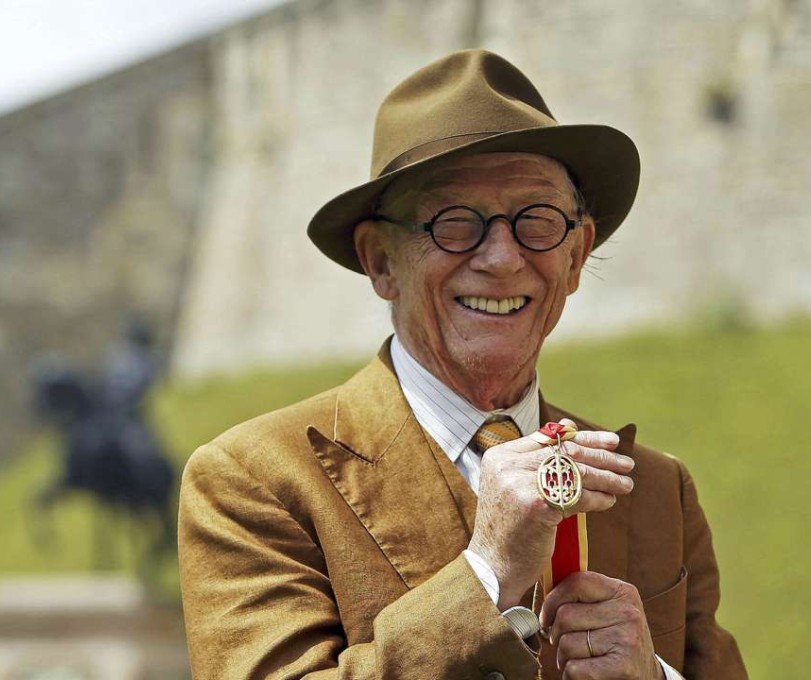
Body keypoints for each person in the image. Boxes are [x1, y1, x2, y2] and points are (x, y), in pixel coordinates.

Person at [178, 49, 747, 680]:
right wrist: (487, 576)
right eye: (455, 223)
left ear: (577, 255)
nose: (502, 259)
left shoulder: (657, 489)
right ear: (381, 262)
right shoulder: (254, 480)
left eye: (536, 220)